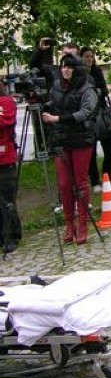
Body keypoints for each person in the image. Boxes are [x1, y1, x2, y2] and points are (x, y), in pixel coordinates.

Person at [40, 54, 98, 245]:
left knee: (80, 183)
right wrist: (45, 107)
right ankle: (68, 224)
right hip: (61, 139)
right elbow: (54, 102)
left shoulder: (87, 88)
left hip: (81, 138)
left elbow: (85, 112)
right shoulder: (56, 86)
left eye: (69, 67)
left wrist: (58, 119)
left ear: (77, 69)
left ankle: (82, 224)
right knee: (64, 184)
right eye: (63, 66)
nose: (65, 70)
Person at [79, 47, 111, 194]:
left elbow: (104, 91)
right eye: (86, 56)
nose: (89, 59)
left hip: (102, 113)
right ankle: (94, 181)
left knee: (109, 149)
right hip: (88, 116)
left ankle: (108, 177)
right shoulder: (79, 74)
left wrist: (99, 91)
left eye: (91, 57)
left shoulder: (97, 71)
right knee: (91, 151)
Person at [0, 81, 22, 254]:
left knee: (7, 200)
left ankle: (12, 235)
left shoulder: (6, 102)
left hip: (4, 158)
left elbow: (5, 121)